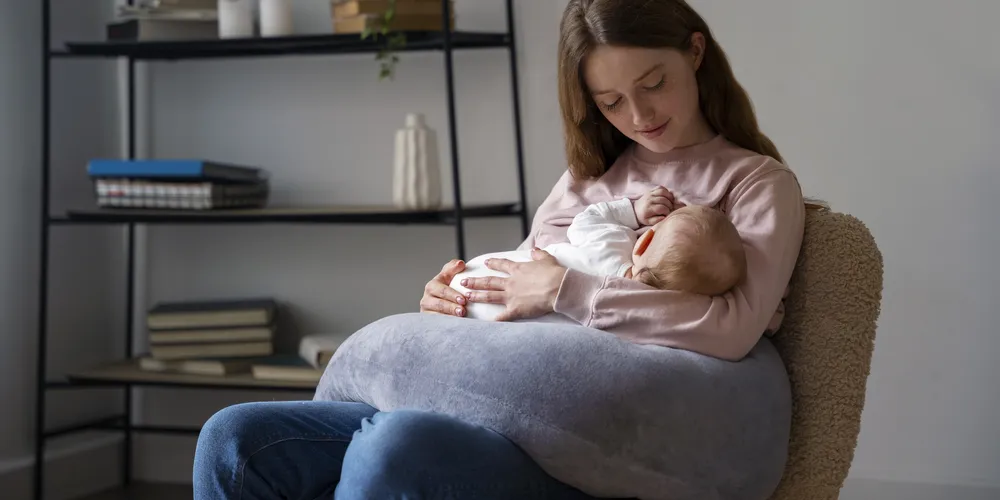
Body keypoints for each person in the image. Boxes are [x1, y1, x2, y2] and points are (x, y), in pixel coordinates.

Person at [192, 0, 804, 498]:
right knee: (234, 437)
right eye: (611, 102)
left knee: (395, 447)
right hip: (491, 406)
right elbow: (521, 286)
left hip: (585, 444)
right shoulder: (586, 182)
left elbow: (733, 329)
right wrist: (456, 302)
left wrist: (567, 292)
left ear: (694, 52)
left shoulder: (752, 184)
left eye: (653, 85)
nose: (639, 115)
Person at [449, 188, 747, 323]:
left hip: (472, 278)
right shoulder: (632, 311)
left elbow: (587, 219)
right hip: (497, 321)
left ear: (644, 242)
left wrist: (633, 211)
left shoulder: (613, 242)